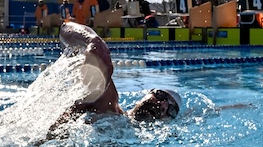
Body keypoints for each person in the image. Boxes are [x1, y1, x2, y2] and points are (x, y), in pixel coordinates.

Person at [46, 21, 181, 139]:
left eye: (171, 110)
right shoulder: (108, 103)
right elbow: (65, 29)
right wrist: (94, 42)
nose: (162, 105)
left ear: (168, 122)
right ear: (147, 94)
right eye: (160, 95)